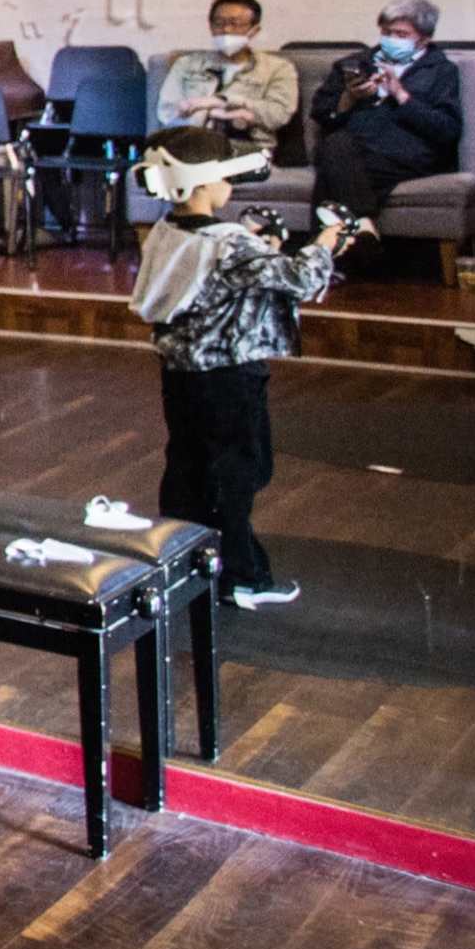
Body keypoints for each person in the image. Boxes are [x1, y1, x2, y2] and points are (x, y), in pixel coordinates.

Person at [129, 127, 353, 610]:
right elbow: (299, 277)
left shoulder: (167, 232)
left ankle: (183, 563)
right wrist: (328, 241)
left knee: (188, 468)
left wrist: (256, 245)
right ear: (207, 183)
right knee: (240, 472)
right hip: (231, 376)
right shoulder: (230, 242)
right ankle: (240, 576)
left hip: (182, 372)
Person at [308, 0, 462, 224]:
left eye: (401, 35)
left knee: (332, 167)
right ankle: (364, 233)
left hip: (408, 155)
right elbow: (321, 114)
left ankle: (343, 240)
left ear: (424, 39)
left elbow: (447, 130)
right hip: (354, 148)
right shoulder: (354, 64)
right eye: (387, 32)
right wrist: (349, 98)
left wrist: (401, 95)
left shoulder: (441, 71)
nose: (391, 40)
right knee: (337, 147)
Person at [156, 0, 296, 153]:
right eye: (219, 23)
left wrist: (223, 101)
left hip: (248, 148)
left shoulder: (277, 68)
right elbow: (166, 113)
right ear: (210, 26)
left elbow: (278, 115)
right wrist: (216, 115)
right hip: (192, 144)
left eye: (235, 24)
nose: (226, 30)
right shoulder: (187, 64)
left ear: (254, 30)